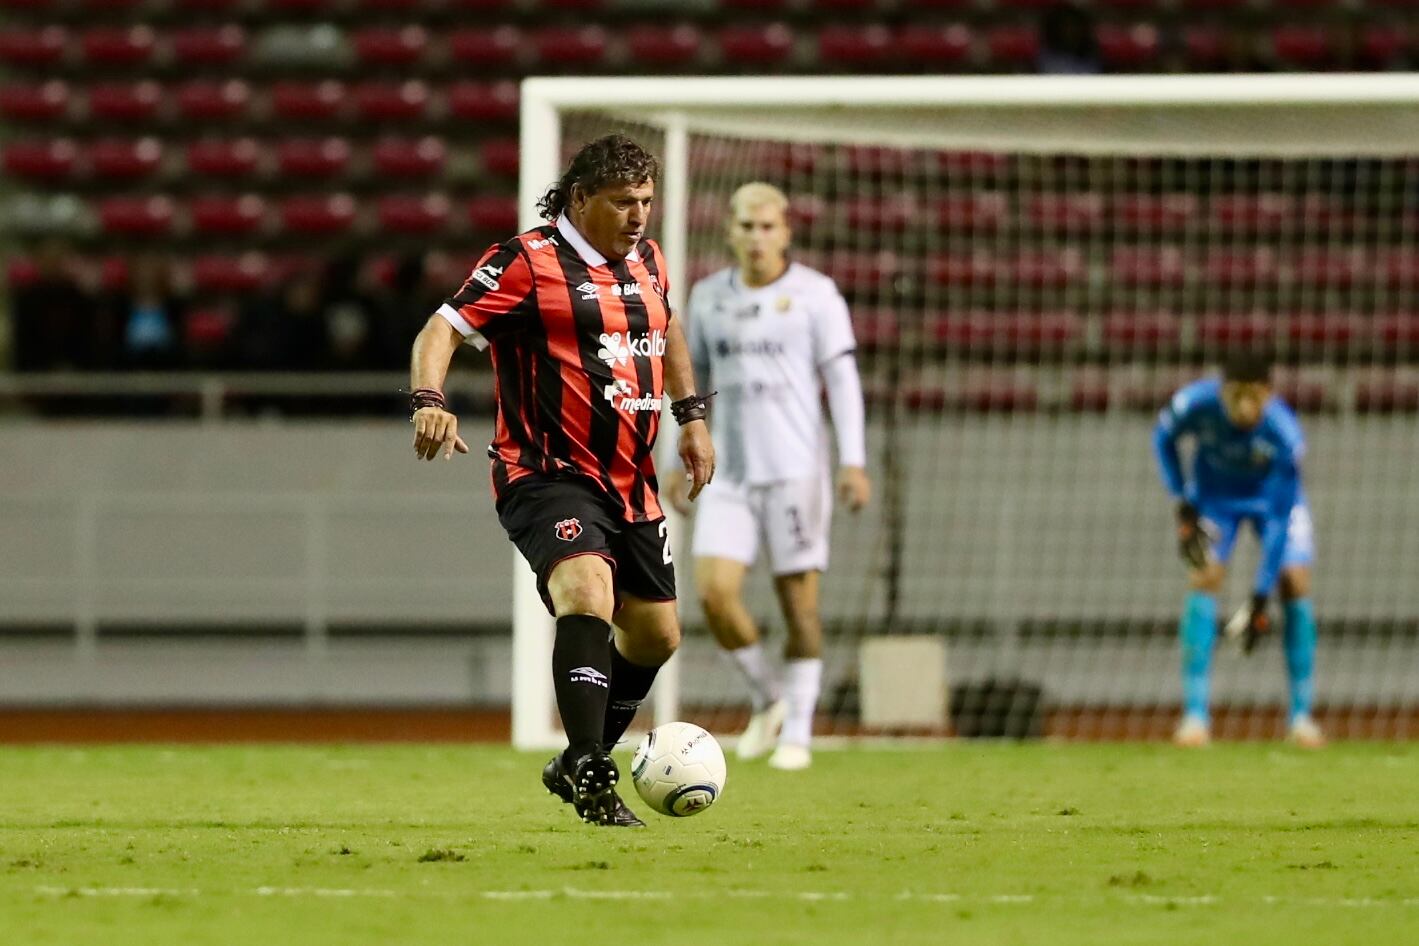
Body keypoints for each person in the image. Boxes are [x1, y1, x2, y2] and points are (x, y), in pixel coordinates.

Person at [408, 135, 715, 826]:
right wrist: (429, 401)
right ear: (580, 198)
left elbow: (665, 333)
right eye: (621, 203)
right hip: (546, 473)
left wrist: (690, 416)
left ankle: (580, 752)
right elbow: (440, 329)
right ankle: (590, 771)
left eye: (644, 202)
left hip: (630, 481)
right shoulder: (525, 262)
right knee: (586, 590)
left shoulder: (649, 260)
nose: (638, 217)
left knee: (658, 637)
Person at [666, 183, 870, 771]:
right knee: (712, 594)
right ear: (729, 230)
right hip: (727, 472)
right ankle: (769, 696)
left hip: (795, 472)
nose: (756, 237)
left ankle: (799, 732)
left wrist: (852, 460)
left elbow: (844, 383)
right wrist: (677, 456)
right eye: (745, 226)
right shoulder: (707, 298)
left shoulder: (815, 296)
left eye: (767, 227)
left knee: (798, 606)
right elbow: (687, 383)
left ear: (786, 232)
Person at [1153, 350, 1323, 749]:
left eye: (1254, 396)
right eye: (1236, 396)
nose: (1245, 407)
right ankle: (1195, 717)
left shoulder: (1285, 434)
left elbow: (1281, 519)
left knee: (1295, 581)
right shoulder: (1194, 404)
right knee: (1204, 576)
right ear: (1222, 391)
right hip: (1215, 502)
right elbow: (1163, 438)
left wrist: (1260, 596)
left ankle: (1301, 717)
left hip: (1274, 505)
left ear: (1268, 394)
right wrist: (1182, 500)